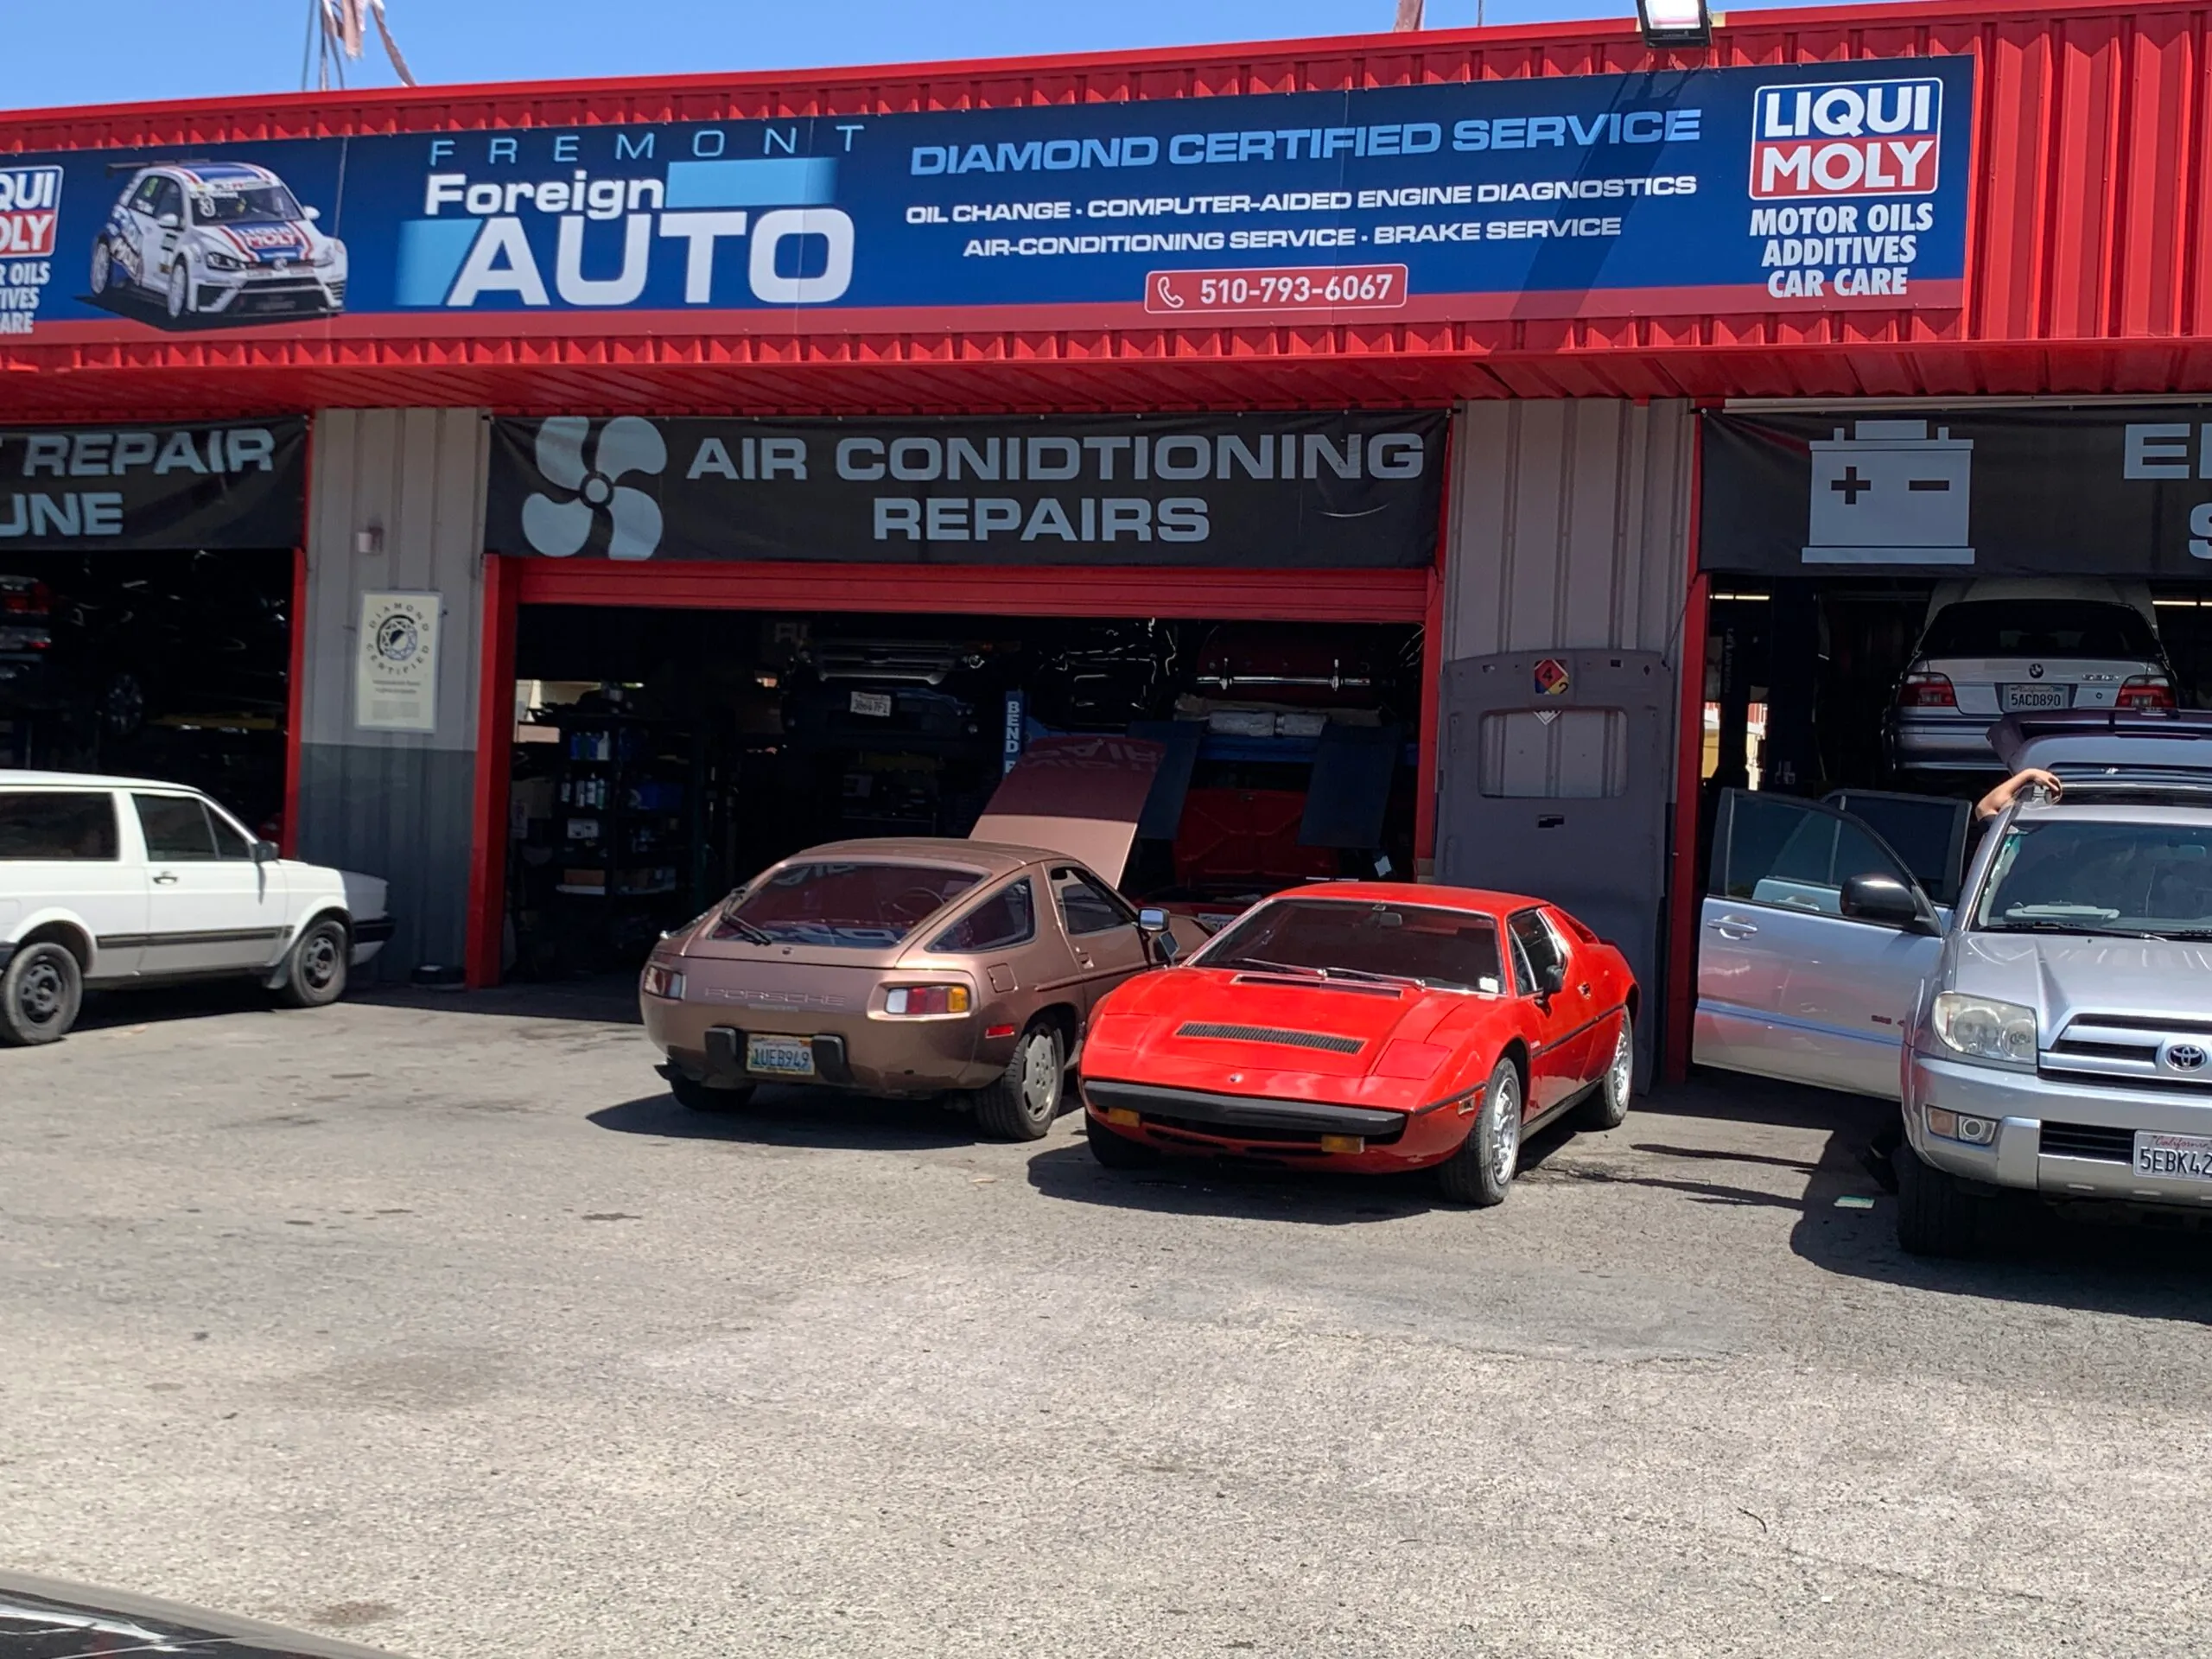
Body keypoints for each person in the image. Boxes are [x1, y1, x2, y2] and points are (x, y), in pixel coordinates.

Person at [1858, 767, 2059, 1192]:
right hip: (1979, 953)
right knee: (1936, 1062)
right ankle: (1889, 1149)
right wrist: (2025, 774)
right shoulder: (2010, 837)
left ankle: (1884, 1148)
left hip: (2011, 959)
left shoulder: (2041, 844)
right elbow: (1988, 807)